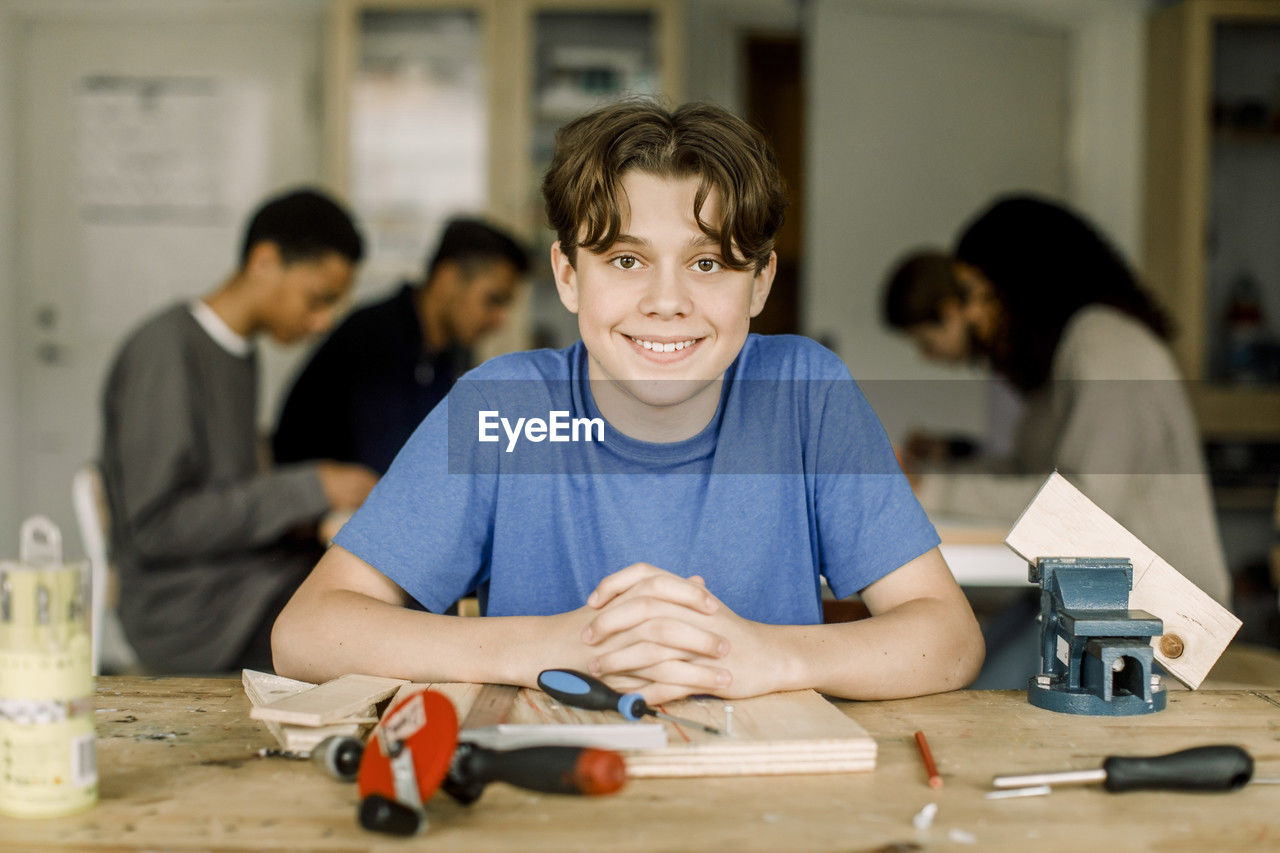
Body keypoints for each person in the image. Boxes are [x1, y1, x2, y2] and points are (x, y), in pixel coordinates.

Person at [272, 101, 984, 704]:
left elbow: (948, 636)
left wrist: (768, 656)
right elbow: (307, 631)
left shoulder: (806, 394)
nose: (667, 302)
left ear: (760, 283)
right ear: (568, 274)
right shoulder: (503, 406)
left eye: (707, 263)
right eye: (624, 260)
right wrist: (550, 643)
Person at [99, 188, 379, 674]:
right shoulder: (167, 351)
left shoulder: (239, 353)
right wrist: (312, 486)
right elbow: (157, 526)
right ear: (265, 261)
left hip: (240, 579)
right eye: (318, 299)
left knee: (369, 586)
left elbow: (228, 493)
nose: (323, 321)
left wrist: (311, 516)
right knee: (368, 622)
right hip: (191, 612)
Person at [911, 193, 1232, 607]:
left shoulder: (1106, 343)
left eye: (975, 293)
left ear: (1023, 281)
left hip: (1166, 627)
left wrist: (934, 491)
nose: (969, 314)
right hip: (1099, 604)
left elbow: (1083, 507)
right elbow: (1025, 471)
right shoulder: (1066, 356)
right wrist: (930, 481)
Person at [273, 218, 530, 475]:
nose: (500, 320)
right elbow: (390, 465)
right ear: (448, 279)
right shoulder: (374, 337)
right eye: (493, 300)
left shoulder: (455, 354)